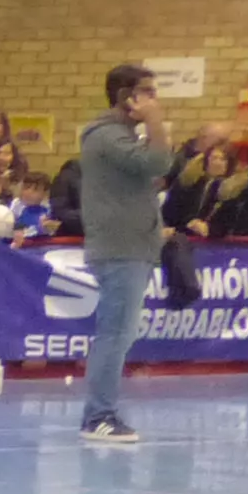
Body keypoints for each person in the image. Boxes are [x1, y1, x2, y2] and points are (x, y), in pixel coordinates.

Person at [71, 64, 175, 445]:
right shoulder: (107, 136)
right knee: (114, 334)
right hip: (119, 249)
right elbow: (158, 163)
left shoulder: (126, 137)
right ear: (125, 96)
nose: (154, 99)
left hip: (136, 246)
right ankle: (98, 415)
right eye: (147, 92)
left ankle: (101, 411)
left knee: (121, 333)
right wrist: (157, 122)